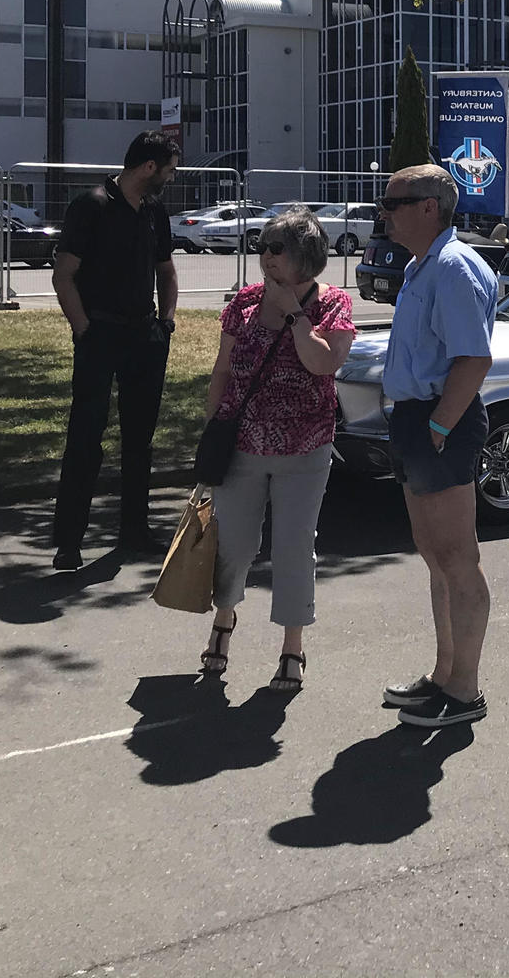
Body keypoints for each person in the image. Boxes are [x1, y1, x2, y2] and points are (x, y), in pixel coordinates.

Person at [199, 208, 356, 691]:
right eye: (262, 246)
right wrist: (210, 433)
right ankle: (223, 622)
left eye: (276, 249)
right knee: (235, 547)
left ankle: (293, 647)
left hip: (305, 449)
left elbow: (322, 364)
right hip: (241, 444)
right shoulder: (242, 304)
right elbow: (223, 371)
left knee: (293, 549)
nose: (265, 256)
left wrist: (293, 314)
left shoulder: (334, 306)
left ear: (305, 257)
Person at [376, 163, 497, 728]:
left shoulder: (452, 267)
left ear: (430, 207)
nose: (384, 212)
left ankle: (464, 691)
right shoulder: (421, 265)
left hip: (438, 421)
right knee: (435, 557)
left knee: (457, 559)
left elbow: (473, 358)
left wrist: (441, 426)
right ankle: (444, 676)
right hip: (417, 419)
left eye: (394, 201)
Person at [50, 131, 181, 567]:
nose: (171, 177)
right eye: (169, 169)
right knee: (86, 436)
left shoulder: (154, 211)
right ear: (149, 167)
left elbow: (166, 269)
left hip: (144, 335)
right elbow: (63, 275)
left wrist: (166, 322)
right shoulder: (91, 205)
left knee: (139, 439)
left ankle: (134, 530)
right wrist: (83, 329)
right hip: (99, 336)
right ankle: (69, 540)